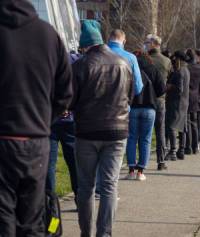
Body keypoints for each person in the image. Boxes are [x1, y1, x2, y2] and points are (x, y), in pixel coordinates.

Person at [0, 1, 73, 235]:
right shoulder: (48, 35)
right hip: (36, 141)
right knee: (32, 219)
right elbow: (65, 92)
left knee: (3, 217)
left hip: (4, 139)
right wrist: (43, 119)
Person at [71, 20, 133, 237]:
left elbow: (70, 100)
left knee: (86, 186)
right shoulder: (123, 63)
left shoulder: (80, 65)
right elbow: (130, 96)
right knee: (109, 186)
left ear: (85, 44)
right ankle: (104, 234)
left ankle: (86, 233)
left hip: (87, 132)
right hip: (117, 131)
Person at [46, 53, 81, 208]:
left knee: (49, 166)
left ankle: (51, 207)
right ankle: (80, 201)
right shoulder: (75, 60)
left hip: (49, 119)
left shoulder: (42, 59)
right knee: (75, 164)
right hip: (69, 119)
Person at [126, 51, 166, 180]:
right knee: (146, 139)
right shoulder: (153, 69)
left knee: (131, 138)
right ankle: (141, 172)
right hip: (149, 108)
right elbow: (162, 89)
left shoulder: (130, 68)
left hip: (133, 107)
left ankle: (131, 170)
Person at [145, 34, 172, 170]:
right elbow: (170, 79)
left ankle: (141, 161)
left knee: (145, 131)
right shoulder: (166, 61)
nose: (145, 44)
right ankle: (161, 161)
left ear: (154, 44)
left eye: (147, 42)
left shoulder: (145, 59)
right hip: (160, 99)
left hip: (145, 99)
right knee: (160, 130)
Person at [165, 51, 191, 160]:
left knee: (171, 126)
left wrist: (169, 86)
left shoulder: (179, 72)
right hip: (184, 102)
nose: (173, 61)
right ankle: (181, 150)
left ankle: (173, 151)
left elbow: (179, 88)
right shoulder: (186, 70)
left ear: (178, 59)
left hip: (176, 102)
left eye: (174, 59)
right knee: (182, 127)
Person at [185, 49, 200, 155]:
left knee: (187, 122)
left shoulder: (186, 68)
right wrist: (199, 85)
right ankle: (195, 147)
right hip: (196, 96)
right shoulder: (199, 68)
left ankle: (188, 146)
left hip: (186, 96)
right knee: (194, 122)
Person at [108, 29, 143, 96]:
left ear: (109, 40)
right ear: (124, 41)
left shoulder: (97, 55)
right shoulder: (131, 58)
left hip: (98, 103)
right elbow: (137, 88)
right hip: (122, 102)